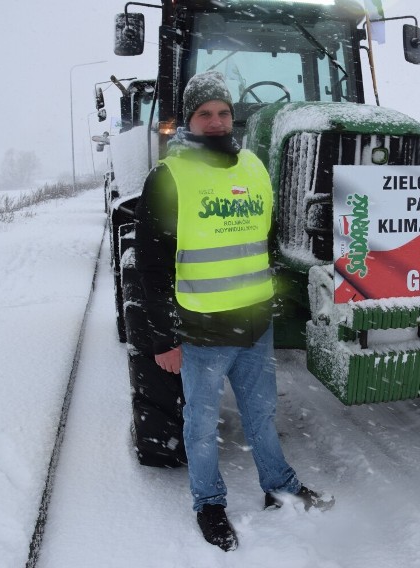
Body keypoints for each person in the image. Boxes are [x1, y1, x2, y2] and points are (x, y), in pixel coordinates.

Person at [134, 70, 333, 552]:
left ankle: (279, 486)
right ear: (189, 120)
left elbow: (262, 243)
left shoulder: (254, 168)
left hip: (253, 327)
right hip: (200, 333)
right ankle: (209, 504)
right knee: (200, 429)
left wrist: (273, 298)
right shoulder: (169, 177)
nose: (218, 121)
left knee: (261, 416)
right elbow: (152, 268)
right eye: (206, 114)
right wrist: (163, 339)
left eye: (223, 112)